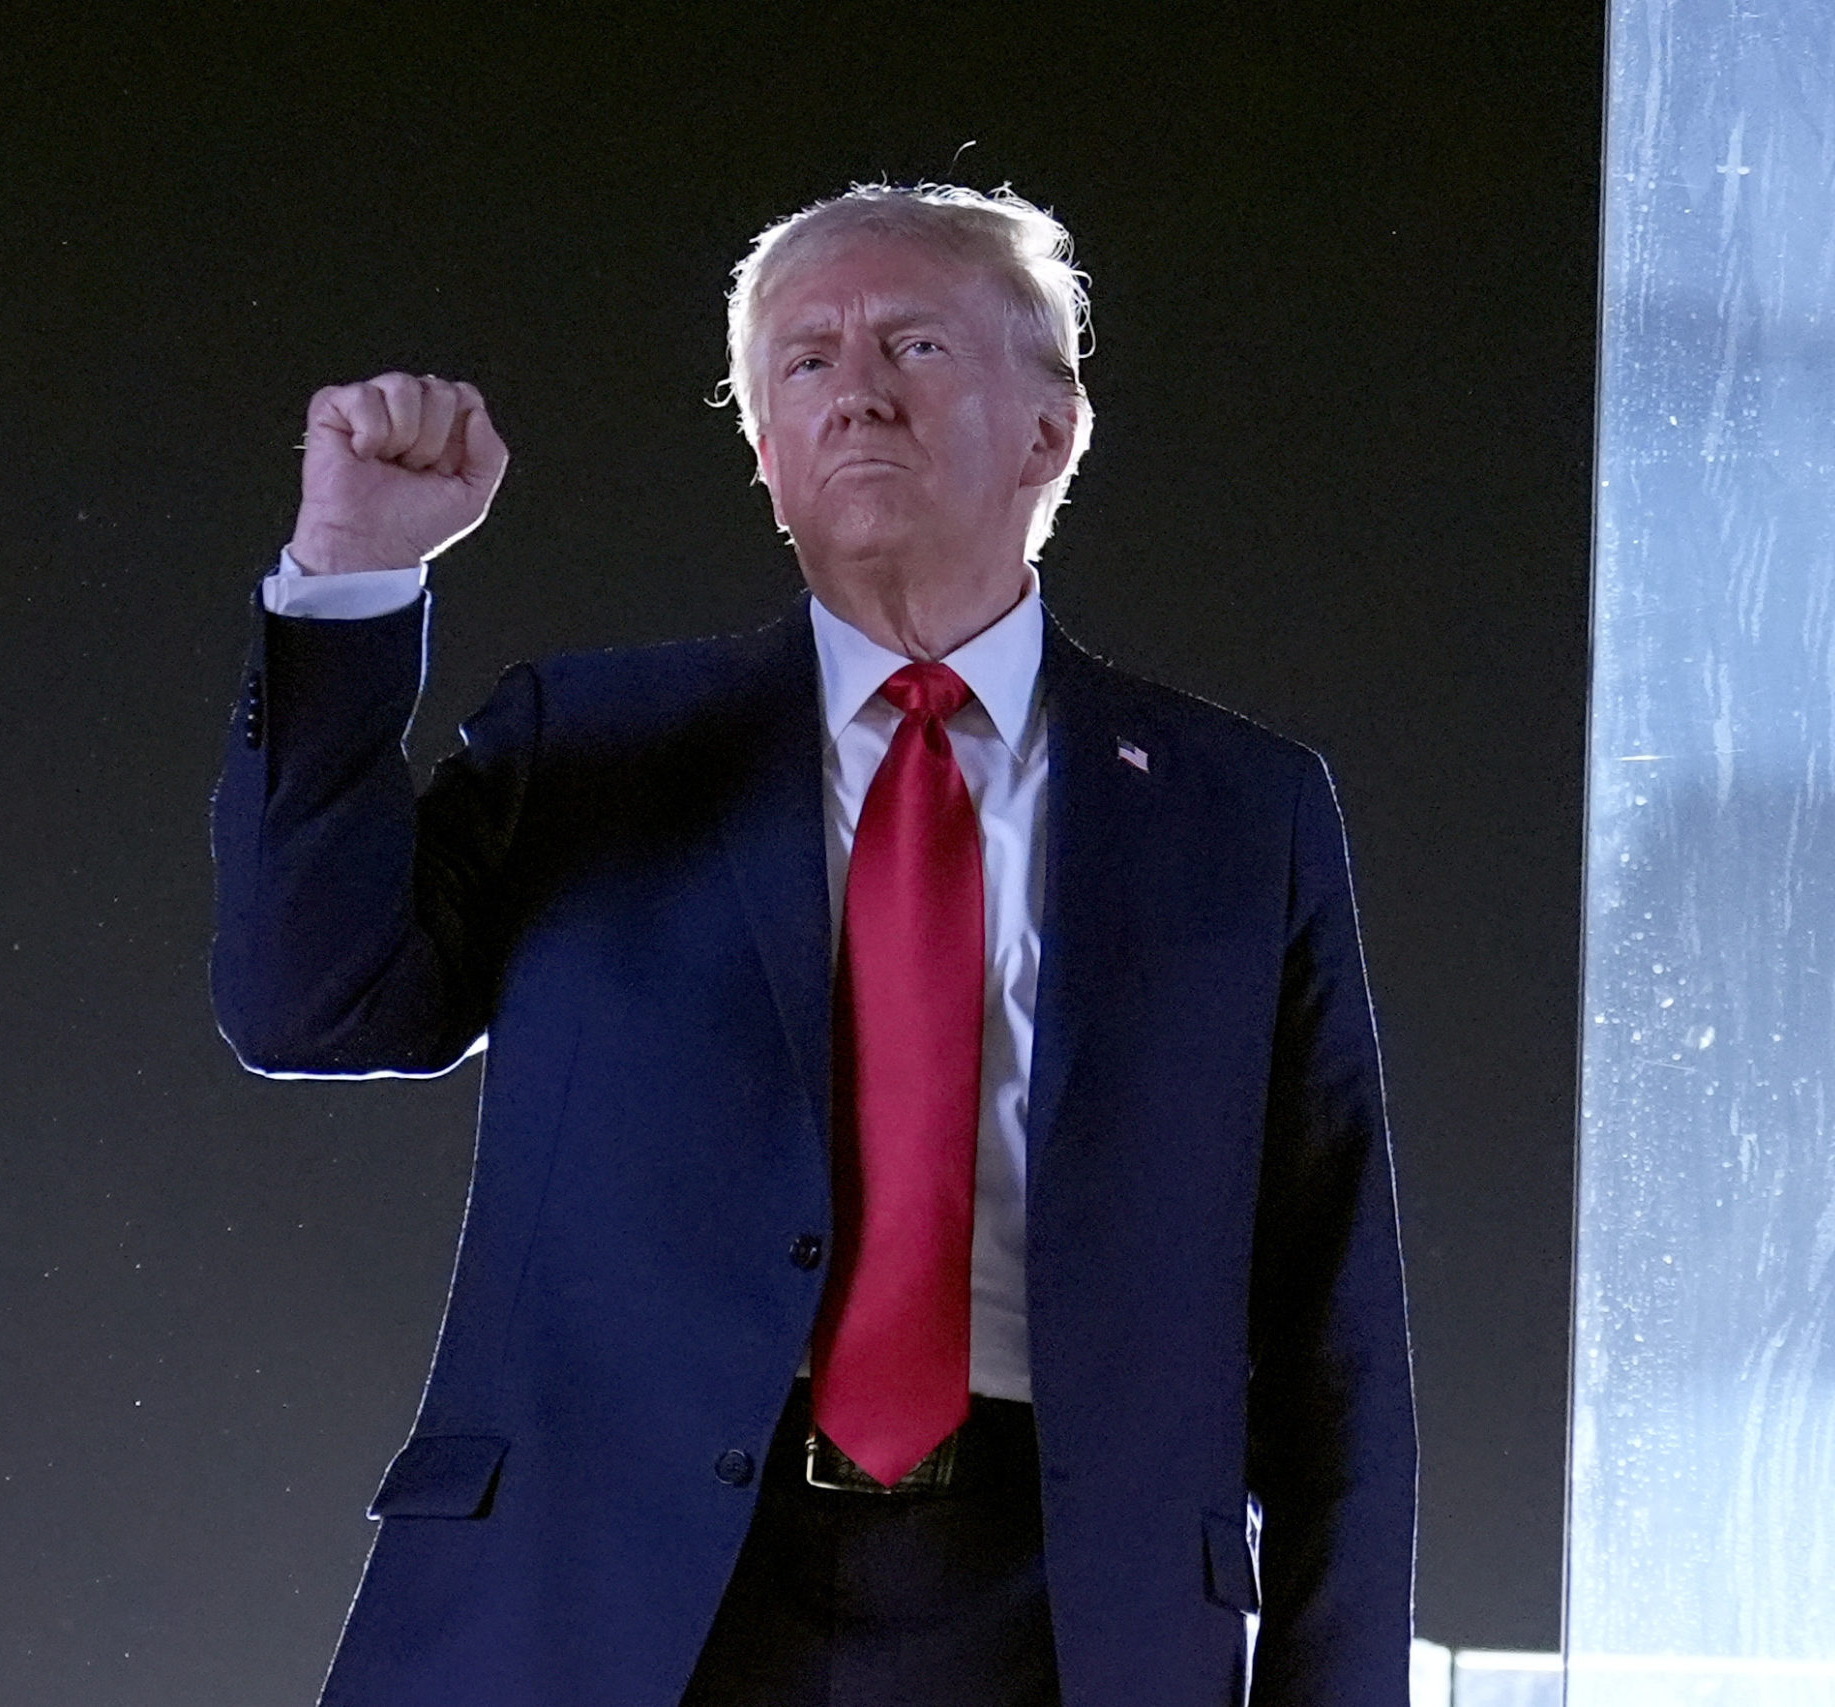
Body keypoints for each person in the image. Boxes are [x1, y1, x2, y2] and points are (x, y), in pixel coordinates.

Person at [211, 183, 1413, 1707]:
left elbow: (1333, 1332)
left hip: (1062, 1617)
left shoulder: (1245, 816)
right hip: (605, 1600)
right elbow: (307, 1003)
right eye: (805, 361)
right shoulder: (589, 743)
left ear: (1053, 432)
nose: (855, 386)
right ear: (768, 458)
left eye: (914, 342)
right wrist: (352, 583)